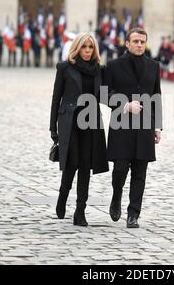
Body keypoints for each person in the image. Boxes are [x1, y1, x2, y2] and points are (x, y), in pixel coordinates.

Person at [103, 28, 163, 228]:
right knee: (120, 168)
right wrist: (125, 105)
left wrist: (157, 126)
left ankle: (133, 214)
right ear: (127, 43)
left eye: (142, 42)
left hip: (145, 125)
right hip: (121, 124)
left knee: (140, 171)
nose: (139, 45)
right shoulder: (113, 66)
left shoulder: (154, 66)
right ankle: (116, 195)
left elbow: (156, 96)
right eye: (135, 41)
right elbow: (104, 94)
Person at [49, 32, 109, 226]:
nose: (87, 51)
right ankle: (62, 196)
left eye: (91, 47)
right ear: (77, 48)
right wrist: (53, 128)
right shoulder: (65, 68)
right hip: (71, 123)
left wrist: (124, 103)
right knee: (71, 164)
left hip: (91, 124)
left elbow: (105, 96)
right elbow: (56, 98)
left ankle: (80, 212)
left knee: (85, 167)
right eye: (84, 47)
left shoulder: (99, 70)